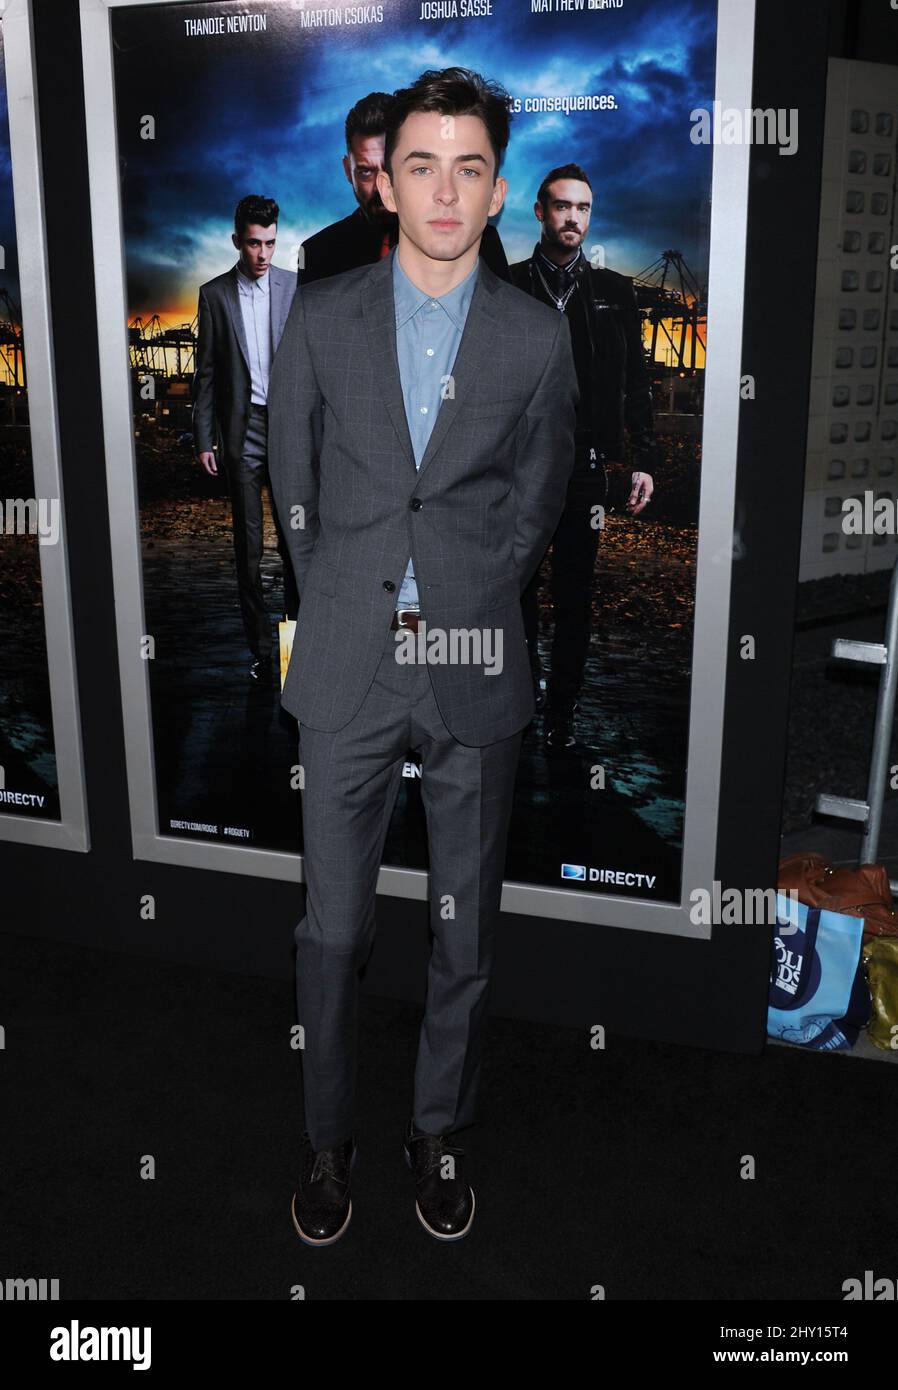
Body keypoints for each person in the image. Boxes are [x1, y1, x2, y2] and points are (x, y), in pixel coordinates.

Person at [268, 67, 578, 1244]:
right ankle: (327, 1138)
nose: (444, 191)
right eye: (420, 166)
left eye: (468, 168)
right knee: (332, 931)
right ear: (384, 184)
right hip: (346, 660)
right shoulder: (320, 314)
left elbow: (538, 499)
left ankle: (437, 1127)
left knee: (464, 931)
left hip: (473, 658)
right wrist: (342, 596)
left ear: (496, 191)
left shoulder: (536, 338)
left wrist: (470, 589)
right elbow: (291, 480)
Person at [509, 165, 655, 747]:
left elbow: (637, 379)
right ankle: (521, 695)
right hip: (519, 464)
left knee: (575, 592)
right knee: (515, 587)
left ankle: (562, 712)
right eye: (562, 206)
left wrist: (643, 458)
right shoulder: (510, 284)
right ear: (540, 212)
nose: (573, 217)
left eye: (583, 208)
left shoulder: (615, 292)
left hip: (585, 464)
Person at [191, 195, 299, 681]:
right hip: (243, 432)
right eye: (255, 244)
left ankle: (296, 649)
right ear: (238, 241)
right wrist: (204, 439)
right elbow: (206, 373)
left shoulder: (294, 287)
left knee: (296, 545)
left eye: (270, 243)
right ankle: (260, 651)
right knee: (249, 549)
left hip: (289, 429)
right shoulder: (214, 295)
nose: (263, 254)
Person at [298, 89, 512, 284]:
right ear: (347, 170)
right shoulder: (319, 252)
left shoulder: (478, 239)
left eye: (388, 167)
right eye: (365, 172)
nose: (379, 186)